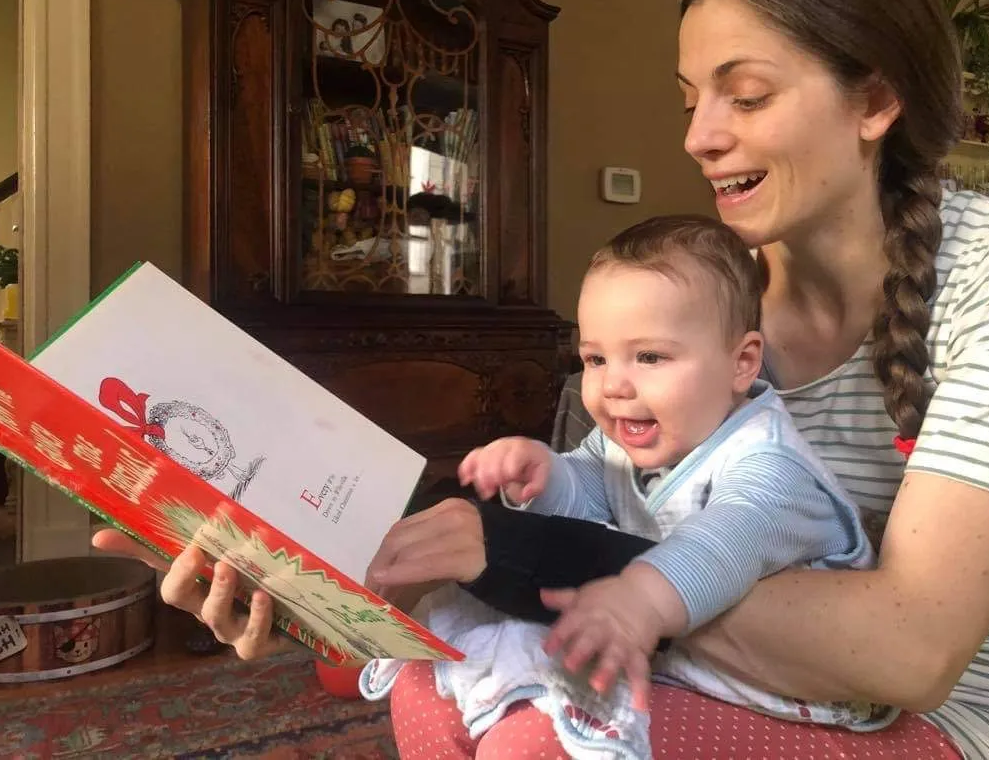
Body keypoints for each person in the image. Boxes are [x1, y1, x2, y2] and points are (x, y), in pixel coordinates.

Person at [94, 0, 989, 757]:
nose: (699, 135)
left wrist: (508, 558)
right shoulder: (698, 303)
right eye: (690, 99)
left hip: (968, 727)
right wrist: (339, 580)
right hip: (708, 663)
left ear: (876, 101)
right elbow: (598, 507)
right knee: (438, 692)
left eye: (745, 95)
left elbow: (907, 651)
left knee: (537, 731)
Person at [358, 215, 893, 755]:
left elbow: (724, 543)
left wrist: (639, 599)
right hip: (668, 630)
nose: (613, 385)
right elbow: (594, 489)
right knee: (425, 679)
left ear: (742, 362)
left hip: (787, 679)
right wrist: (545, 474)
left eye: (650, 357)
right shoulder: (634, 436)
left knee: (533, 742)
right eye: (595, 358)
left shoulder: (770, 466)